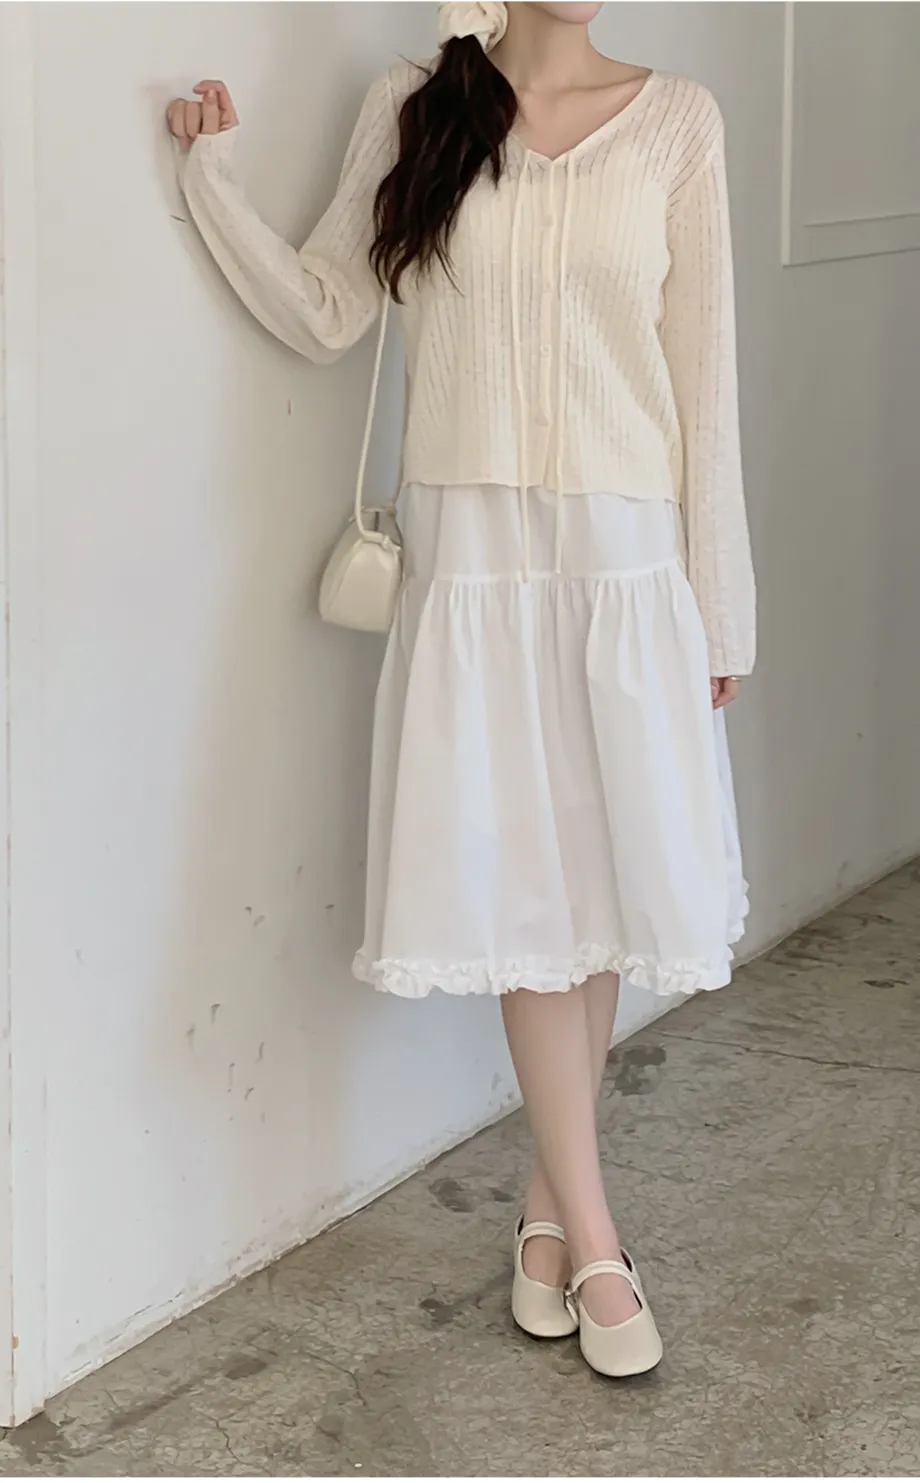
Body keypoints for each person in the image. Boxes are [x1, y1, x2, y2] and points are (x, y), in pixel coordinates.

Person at [166, 0, 756, 1379]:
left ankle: (549, 1209)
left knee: (599, 885)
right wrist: (208, 184)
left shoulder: (679, 123)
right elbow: (328, 307)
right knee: (534, 898)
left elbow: (707, 381)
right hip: (475, 559)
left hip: (624, 557)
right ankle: (595, 1236)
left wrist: (719, 602)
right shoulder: (417, 104)